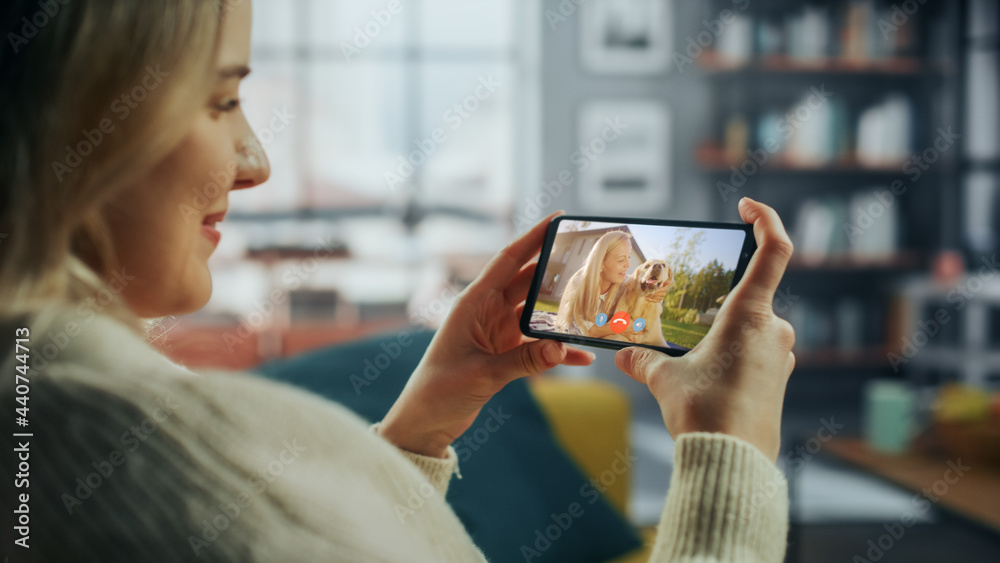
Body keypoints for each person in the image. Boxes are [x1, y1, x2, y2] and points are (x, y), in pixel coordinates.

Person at [0, 1, 796, 561]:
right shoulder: (115, 440)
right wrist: (728, 443)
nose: (256, 163)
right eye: (221, 99)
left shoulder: (43, 395)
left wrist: (422, 427)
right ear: (72, 121)